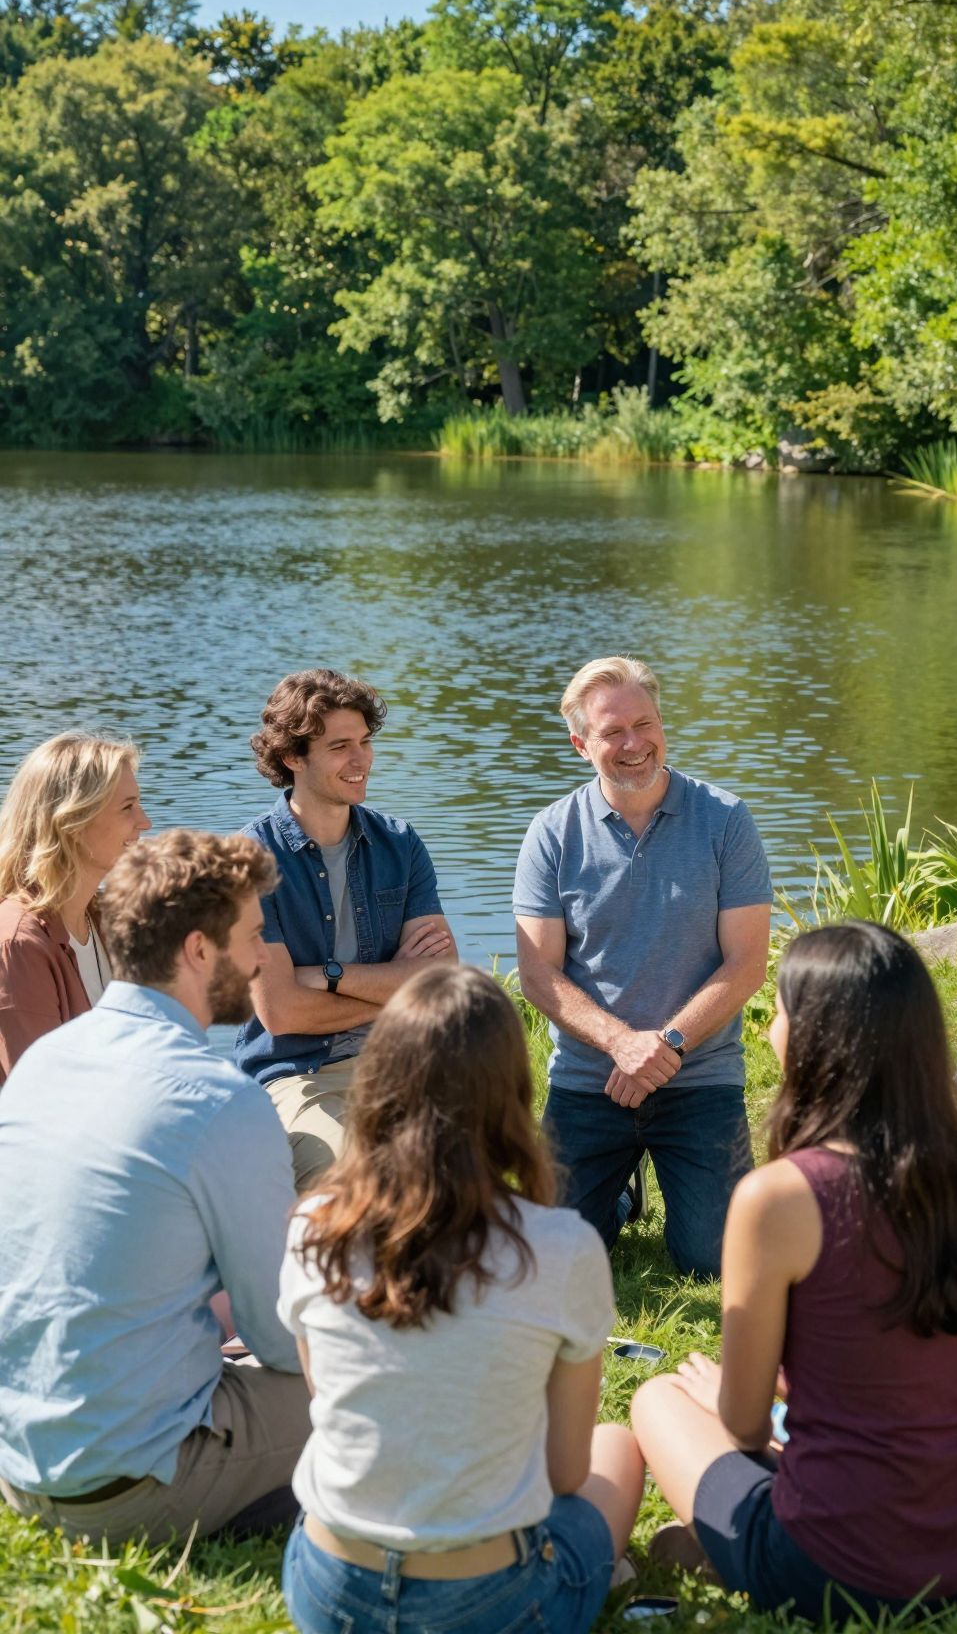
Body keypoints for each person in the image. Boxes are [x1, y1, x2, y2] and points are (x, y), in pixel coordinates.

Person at [630, 922, 957, 1627]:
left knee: (660, 1399)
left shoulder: (780, 1197)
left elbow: (743, 1427)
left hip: (837, 1567)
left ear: (820, 1039)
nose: (768, 1031)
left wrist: (733, 1399)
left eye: (779, 1012)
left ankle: (727, 1550)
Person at [278, 963, 645, 1634]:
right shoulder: (560, 1246)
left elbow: (329, 1404)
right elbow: (566, 1474)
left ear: (376, 1084)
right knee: (616, 1447)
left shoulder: (312, 1228)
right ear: (511, 1095)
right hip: (488, 1602)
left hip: (329, 1590)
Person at [0, 829, 310, 1545]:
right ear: (199, 950)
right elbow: (282, 1341)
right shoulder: (218, 1099)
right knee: (387, 1380)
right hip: (122, 1486)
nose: (264, 958)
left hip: (20, 1459)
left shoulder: (46, 1062)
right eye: (253, 936)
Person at [514, 655, 771, 1279]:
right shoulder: (551, 833)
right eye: (612, 732)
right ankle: (621, 1194)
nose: (634, 744)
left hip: (700, 1077)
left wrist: (667, 1045)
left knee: (714, 1261)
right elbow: (538, 975)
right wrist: (620, 1044)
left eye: (645, 724)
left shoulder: (725, 820)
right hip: (590, 1082)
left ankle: (643, 1181)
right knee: (548, 1259)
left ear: (661, 723)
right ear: (581, 745)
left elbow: (747, 964)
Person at [234, 668, 457, 1192]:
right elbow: (282, 1012)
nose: (362, 761)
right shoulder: (249, 861)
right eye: (340, 747)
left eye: (364, 742)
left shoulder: (400, 844)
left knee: (471, 1176)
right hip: (298, 1074)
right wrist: (397, 991)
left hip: (402, 1061)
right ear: (292, 757)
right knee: (352, 1188)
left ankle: (616, 1200)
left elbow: (441, 982)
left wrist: (328, 976)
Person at [0, 732, 150, 1081]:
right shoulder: (18, 947)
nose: (145, 822)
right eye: (127, 807)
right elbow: (42, 1093)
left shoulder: (102, 919)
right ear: (73, 824)